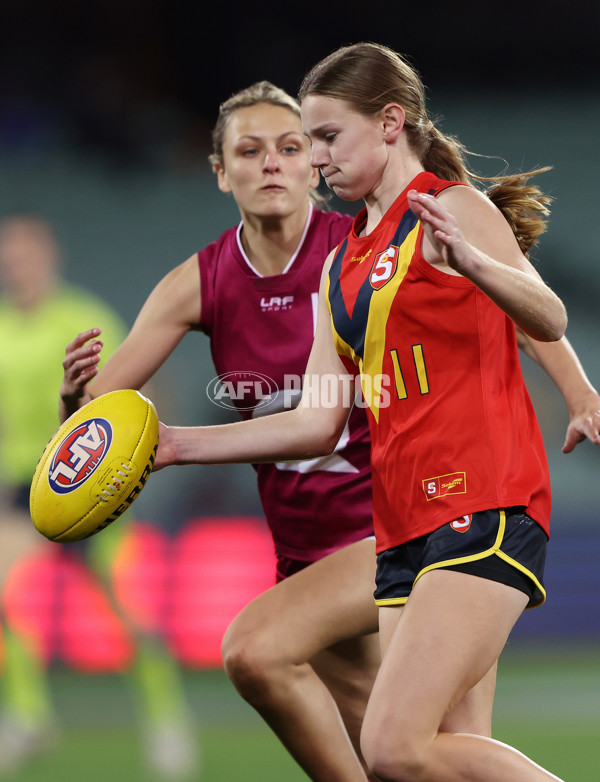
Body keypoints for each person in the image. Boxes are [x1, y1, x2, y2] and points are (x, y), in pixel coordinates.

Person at [59, 76, 600, 781]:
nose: (293, 162)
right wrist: (121, 424)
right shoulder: (305, 272)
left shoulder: (417, 218)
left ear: (385, 126)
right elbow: (314, 418)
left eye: (303, 143)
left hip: (445, 510)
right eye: (255, 151)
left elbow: (534, 313)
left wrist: (579, 390)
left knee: (271, 658)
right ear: (219, 173)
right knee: (418, 760)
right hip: (370, 537)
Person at [0, 214, 198, 779]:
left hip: (85, 482)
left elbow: (139, 379)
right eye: (7, 256)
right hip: (26, 485)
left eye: (23, 254)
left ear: (47, 256)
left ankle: (166, 721)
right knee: (5, 594)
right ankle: (29, 715)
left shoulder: (81, 315)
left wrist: (146, 446)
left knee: (126, 616)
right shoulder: (2, 328)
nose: (15, 264)